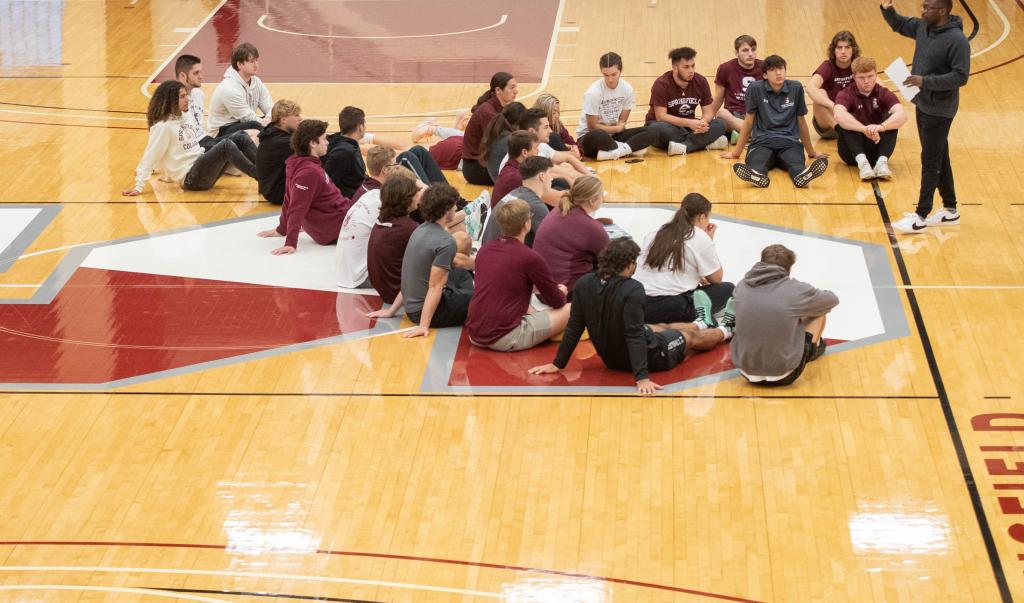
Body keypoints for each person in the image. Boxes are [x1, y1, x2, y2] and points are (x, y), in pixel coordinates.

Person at [528, 238, 734, 396]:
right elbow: (633, 334)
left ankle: (701, 322)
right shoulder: (633, 288)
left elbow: (575, 325)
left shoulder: (584, 283)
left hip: (610, 358)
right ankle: (727, 329)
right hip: (650, 357)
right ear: (628, 264)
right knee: (689, 338)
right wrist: (642, 378)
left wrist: (558, 363)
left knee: (661, 326)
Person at [881, 0, 970, 234]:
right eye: (922, 6)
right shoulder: (923, 26)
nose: (922, 11)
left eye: (927, 7)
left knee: (930, 159)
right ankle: (950, 210)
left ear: (942, 11)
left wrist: (925, 81)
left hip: (940, 109)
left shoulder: (957, 40)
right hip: (923, 102)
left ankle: (920, 216)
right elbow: (900, 24)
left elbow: (960, 76)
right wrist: (887, 9)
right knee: (940, 155)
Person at [367, 184, 475, 336]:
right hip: (428, 312)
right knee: (483, 300)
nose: (456, 208)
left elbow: (410, 275)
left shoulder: (418, 230)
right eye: (453, 206)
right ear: (446, 211)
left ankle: (465, 292)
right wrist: (423, 326)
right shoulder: (446, 242)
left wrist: (392, 311)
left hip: (412, 308)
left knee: (462, 274)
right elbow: (435, 287)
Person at [466, 200, 570, 351]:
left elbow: (503, 283)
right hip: (504, 338)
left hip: (474, 334)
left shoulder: (485, 250)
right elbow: (557, 301)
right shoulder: (530, 256)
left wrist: (533, 288)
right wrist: (562, 292)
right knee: (571, 309)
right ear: (527, 224)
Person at [122, 80, 257, 196]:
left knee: (240, 136)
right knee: (226, 145)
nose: (188, 99)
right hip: (191, 178)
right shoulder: (162, 128)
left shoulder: (184, 117)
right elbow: (150, 157)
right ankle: (261, 176)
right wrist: (138, 186)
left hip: (201, 165)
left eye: (186, 95)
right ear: (171, 101)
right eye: (182, 96)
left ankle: (268, 171)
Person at [730, 244, 839, 386]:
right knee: (818, 312)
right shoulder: (796, 290)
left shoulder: (741, 286)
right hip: (785, 375)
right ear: (788, 268)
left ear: (761, 262)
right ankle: (813, 349)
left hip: (745, 371)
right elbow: (832, 300)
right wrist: (808, 296)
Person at [723, 54, 829, 188]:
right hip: (762, 142)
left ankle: (803, 176)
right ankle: (758, 176)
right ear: (765, 75)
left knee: (796, 164)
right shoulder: (755, 89)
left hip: (789, 142)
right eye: (773, 70)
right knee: (757, 164)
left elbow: (801, 122)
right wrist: (735, 153)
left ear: (785, 70)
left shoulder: (796, 88)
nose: (778, 73)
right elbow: (748, 122)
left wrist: (811, 152)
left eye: (781, 68)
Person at [256, 119, 354, 254]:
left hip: (338, 217)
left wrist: (282, 228)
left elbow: (288, 198)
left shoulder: (296, 163)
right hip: (336, 225)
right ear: (313, 143)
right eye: (324, 139)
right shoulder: (309, 172)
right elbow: (297, 207)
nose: (327, 142)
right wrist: (291, 242)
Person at [634, 193, 733, 324]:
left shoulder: (656, 231)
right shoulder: (699, 236)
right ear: (702, 217)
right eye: (708, 218)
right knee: (728, 289)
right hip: (668, 306)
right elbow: (716, 278)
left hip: (637, 302)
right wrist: (709, 241)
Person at [324, 106, 448, 199]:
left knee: (418, 151)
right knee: (407, 156)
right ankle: (434, 202)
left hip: (370, 186)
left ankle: (453, 199)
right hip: (368, 195)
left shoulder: (341, 142)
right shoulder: (343, 152)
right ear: (361, 127)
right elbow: (328, 184)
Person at [833, 57, 907, 180]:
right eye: (862, 77)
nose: (866, 81)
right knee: (847, 118)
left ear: (876, 75)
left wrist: (881, 127)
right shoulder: (846, 93)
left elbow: (902, 115)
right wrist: (864, 129)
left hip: (876, 147)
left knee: (892, 119)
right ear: (854, 77)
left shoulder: (883, 92)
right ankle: (862, 163)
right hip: (851, 153)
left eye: (870, 76)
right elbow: (838, 115)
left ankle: (882, 162)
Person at [532, 176, 610, 293]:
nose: (603, 199)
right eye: (601, 196)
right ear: (592, 201)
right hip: (564, 291)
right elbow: (609, 257)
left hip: (541, 286)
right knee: (613, 269)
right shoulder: (592, 228)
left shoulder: (559, 209)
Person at [644, 47, 728, 156]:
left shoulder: (701, 81)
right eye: (686, 67)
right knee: (658, 130)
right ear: (675, 68)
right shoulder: (661, 84)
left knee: (720, 124)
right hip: (665, 126)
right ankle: (704, 143)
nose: (691, 70)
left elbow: (709, 112)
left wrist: (702, 123)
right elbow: (661, 116)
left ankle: (684, 147)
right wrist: (690, 123)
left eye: (693, 66)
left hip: (689, 127)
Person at [576, 52, 657, 160]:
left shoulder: (627, 89)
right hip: (590, 138)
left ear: (620, 71)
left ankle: (616, 152)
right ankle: (628, 149)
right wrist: (617, 128)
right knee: (598, 135)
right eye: (606, 75)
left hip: (615, 135)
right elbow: (592, 127)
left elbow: (622, 120)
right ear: (601, 72)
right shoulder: (593, 93)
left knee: (652, 131)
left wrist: (619, 128)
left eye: (614, 74)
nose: (610, 79)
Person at [366, 171, 422, 304]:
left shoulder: (381, 221)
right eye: (416, 193)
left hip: (386, 291)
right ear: (407, 199)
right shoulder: (409, 228)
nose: (418, 196)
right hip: (400, 294)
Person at [480, 155, 553, 246]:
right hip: (504, 256)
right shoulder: (534, 205)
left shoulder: (515, 193)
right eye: (550, 173)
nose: (552, 178)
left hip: (488, 251)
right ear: (542, 176)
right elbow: (552, 241)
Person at [463, 72, 518, 184]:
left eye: (516, 87)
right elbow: (504, 144)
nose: (516, 91)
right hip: (477, 168)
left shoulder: (499, 108)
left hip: (484, 163)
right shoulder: (488, 113)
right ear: (498, 90)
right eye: (512, 87)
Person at [207, 42, 273, 137]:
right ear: (239, 64)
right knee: (257, 126)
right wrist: (267, 123)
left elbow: (270, 106)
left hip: (243, 123)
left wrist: (269, 118)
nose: (256, 65)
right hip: (221, 131)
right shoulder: (229, 88)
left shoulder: (256, 82)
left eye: (256, 60)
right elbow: (247, 118)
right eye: (252, 61)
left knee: (279, 119)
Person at [709, 35, 763, 143]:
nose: (750, 54)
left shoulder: (765, 67)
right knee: (721, 114)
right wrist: (707, 119)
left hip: (758, 115)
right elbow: (719, 98)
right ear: (736, 52)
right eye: (745, 50)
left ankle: (742, 135)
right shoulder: (725, 68)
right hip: (734, 116)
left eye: (753, 49)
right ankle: (755, 134)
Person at [807, 31, 860, 139]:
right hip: (830, 123)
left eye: (847, 47)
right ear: (834, 50)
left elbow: (880, 86)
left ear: (853, 49)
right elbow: (810, 88)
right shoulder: (828, 66)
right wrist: (835, 107)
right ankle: (842, 132)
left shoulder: (858, 65)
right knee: (819, 93)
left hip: (852, 120)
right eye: (839, 47)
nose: (843, 51)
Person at [255, 99, 302, 205]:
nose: (300, 118)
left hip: (278, 186)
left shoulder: (275, 134)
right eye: (296, 115)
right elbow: (312, 147)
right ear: (283, 119)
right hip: (278, 192)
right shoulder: (280, 142)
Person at [173, 54, 215, 151]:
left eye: (200, 72)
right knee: (232, 146)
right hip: (192, 147)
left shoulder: (199, 94)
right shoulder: (173, 101)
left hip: (205, 139)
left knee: (242, 137)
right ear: (183, 76)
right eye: (196, 73)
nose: (201, 76)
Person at [480, 102, 526, 182]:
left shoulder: (500, 132)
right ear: (518, 124)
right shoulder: (510, 139)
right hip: (506, 184)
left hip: (499, 181)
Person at [491, 131, 539, 208]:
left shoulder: (512, 167)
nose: (538, 151)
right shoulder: (516, 177)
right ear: (524, 153)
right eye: (536, 148)